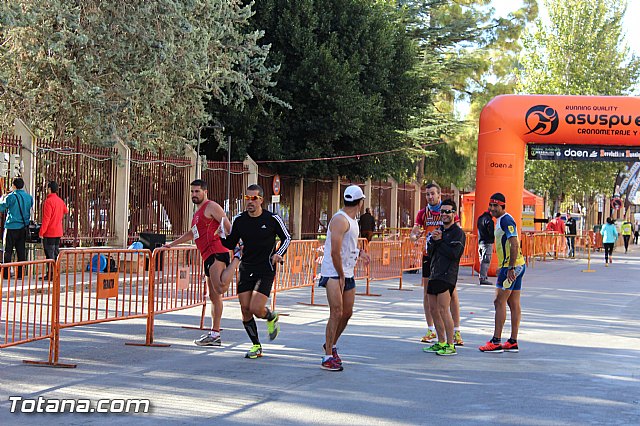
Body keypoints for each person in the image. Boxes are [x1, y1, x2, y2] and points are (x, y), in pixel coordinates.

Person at [220, 184, 291, 359]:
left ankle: (270, 316)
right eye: (247, 198)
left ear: (261, 200)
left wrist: (278, 254)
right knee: (245, 309)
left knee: (256, 308)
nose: (250, 202)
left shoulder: (272, 219)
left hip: (266, 268)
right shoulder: (240, 219)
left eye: (254, 198)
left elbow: (287, 238)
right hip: (246, 268)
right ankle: (256, 346)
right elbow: (230, 243)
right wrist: (220, 236)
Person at [164, 179, 235, 346]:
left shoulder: (211, 206)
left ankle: (238, 260)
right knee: (213, 296)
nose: (194, 195)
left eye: (197, 191)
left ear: (205, 192)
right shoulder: (196, 214)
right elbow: (192, 234)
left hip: (217, 251)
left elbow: (227, 225)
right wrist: (171, 244)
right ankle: (214, 334)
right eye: (193, 192)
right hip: (207, 256)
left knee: (219, 288)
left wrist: (233, 241)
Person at [319, 185, 370, 371]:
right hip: (334, 271)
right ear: (361, 202)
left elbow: (349, 246)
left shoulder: (353, 220)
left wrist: (360, 252)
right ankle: (327, 357)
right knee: (336, 312)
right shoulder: (339, 220)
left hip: (347, 271)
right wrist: (340, 275)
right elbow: (334, 252)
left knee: (347, 313)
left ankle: (330, 345)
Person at [410, 182, 464, 346]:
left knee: (451, 295)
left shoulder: (447, 210)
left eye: (433, 193)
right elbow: (413, 234)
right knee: (428, 294)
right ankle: (431, 329)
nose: (430, 197)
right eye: (427, 194)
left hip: (447, 258)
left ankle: (456, 331)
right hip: (429, 256)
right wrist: (416, 236)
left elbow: (457, 231)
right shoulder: (422, 213)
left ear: (439, 195)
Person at [479, 193, 526, 353]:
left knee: (499, 302)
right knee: (513, 303)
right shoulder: (500, 221)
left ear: (503, 206)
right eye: (490, 205)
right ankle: (512, 341)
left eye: (495, 206)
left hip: (512, 267)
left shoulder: (506, 220)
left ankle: (496, 341)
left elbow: (514, 244)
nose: (492, 208)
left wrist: (510, 267)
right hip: (514, 265)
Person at [422, 200, 466, 356]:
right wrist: (433, 241)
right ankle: (440, 342)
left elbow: (455, 254)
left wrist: (440, 240)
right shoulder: (439, 230)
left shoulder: (458, 233)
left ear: (454, 214)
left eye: (448, 212)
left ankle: (450, 344)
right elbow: (432, 252)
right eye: (442, 212)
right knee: (433, 309)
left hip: (447, 275)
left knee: (443, 309)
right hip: (434, 272)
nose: (445, 214)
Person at [0, 177, 34, 279]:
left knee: (8, 251)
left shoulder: (11, 197)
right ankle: (20, 274)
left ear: (13, 185)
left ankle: (6, 274)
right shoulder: (29, 197)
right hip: (23, 227)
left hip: (11, 226)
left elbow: (1, 207)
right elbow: (30, 206)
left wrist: (2, 197)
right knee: (21, 251)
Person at [39, 181, 69, 277]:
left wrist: (41, 232)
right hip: (58, 231)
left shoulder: (48, 201)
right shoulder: (60, 201)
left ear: (49, 189)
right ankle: (55, 273)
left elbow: (46, 219)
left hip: (49, 232)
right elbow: (66, 210)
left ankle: (51, 274)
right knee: (55, 253)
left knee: (49, 254)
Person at [477, 209, 494, 285]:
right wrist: (492, 237)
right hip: (487, 242)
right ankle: (483, 278)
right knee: (486, 260)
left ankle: (482, 276)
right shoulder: (489, 220)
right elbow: (491, 232)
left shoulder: (480, 218)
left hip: (480, 242)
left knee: (482, 260)